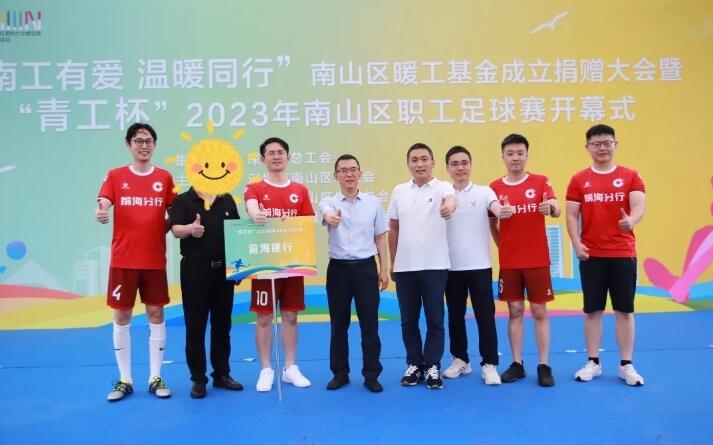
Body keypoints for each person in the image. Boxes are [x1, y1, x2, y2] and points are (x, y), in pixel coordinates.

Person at [95, 123, 176, 401]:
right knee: (122, 316)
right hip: (124, 260)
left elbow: (175, 212)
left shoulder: (164, 177)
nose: (144, 146)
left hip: (154, 261)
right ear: (128, 144)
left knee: (156, 315)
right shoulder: (116, 175)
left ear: (155, 144)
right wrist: (101, 211)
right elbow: (103, 202)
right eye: (138, 141)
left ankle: (155, 377)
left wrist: (163, 228)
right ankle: (125, 379)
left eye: (149, 141)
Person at [566, 124, 646, 386]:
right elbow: (571, 214)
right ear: (587, 147)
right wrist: (576, 243)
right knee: (593, 311)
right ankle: (593, 362)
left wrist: (631, 220)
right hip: (592, 254)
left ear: (615, 144)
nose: (602, 148)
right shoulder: (579, 179)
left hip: (622, 252)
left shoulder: (630, 176)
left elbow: (639, 205)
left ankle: (626, 364)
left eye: (607, 143)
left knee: (624, 310)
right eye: (596, 144)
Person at [244, 137, 315, 392]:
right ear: (262, 159)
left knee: (290, 315)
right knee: (264, 317)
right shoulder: (254, 188)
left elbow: (307, 224)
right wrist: (257, 214)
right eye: (271, 153)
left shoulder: (300, 190)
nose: (276, 156)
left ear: (288, 157)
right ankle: (266, 368)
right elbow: (252, 208)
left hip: (292, 264)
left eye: (280, 152)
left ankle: (290, 367)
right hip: (264, 265)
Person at [489, 133, 560, 387]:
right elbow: (491, 222)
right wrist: (503, 246)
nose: (515, 158)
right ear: (503, 157)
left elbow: (555, 206)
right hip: (510, 262)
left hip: (537, 259)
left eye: (520, 153)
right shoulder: (495, 187)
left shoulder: (540, 181)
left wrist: (550, 208)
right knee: (515, 310)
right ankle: (517, 363)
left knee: (539, 311)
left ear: (526, 155)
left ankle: (544, 364)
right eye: (510, 153)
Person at [388, 143, 456, 389]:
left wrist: (448, 207)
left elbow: (451, 200)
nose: (419, 164)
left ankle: (433, 365)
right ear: (408, 164)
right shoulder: (399, 191)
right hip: (405, 267)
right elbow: (393, 228)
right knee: (409, 321)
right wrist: (393, 262)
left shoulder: (443, 187)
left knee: (435, 319)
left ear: (433, 162)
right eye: (414, 160)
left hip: (435, 265)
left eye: (424, 159)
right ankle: (415, 364)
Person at [319, 154, 389, 393]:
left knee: (370, 325)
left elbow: (380, 237)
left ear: (360, 173)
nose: (348, 174)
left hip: (366, 269)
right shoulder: (329, 202)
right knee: (339, 325)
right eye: (343, 170)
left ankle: (371, 374)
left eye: (353, 169)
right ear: (335, 175)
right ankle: (340, 373)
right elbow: (326, 213)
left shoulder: (373, 203)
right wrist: (331, 218)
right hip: (338, 270)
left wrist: (384, 269)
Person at [170, 187, 244, 398]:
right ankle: (198, 378)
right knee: (195, 326)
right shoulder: (183, 200)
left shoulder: (226, 199)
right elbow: (175, 229)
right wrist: (190, 229)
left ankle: (221, 374)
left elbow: (237, 233)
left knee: (222, 325)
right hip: (195, 271)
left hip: (224, 271)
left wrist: (239, 269)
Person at [443, 146, 505, 385]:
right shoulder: (442, 194)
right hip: (450, 267)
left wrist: (503, 211)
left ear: (470, 165)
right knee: (455, 317)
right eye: (455, 164)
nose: (460, 168)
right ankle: (460, 359)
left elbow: (496, 207)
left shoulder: (484, 192)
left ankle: (490, 364)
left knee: (485, 317)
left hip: (479, 266)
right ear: (447, 167)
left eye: (464, 163)